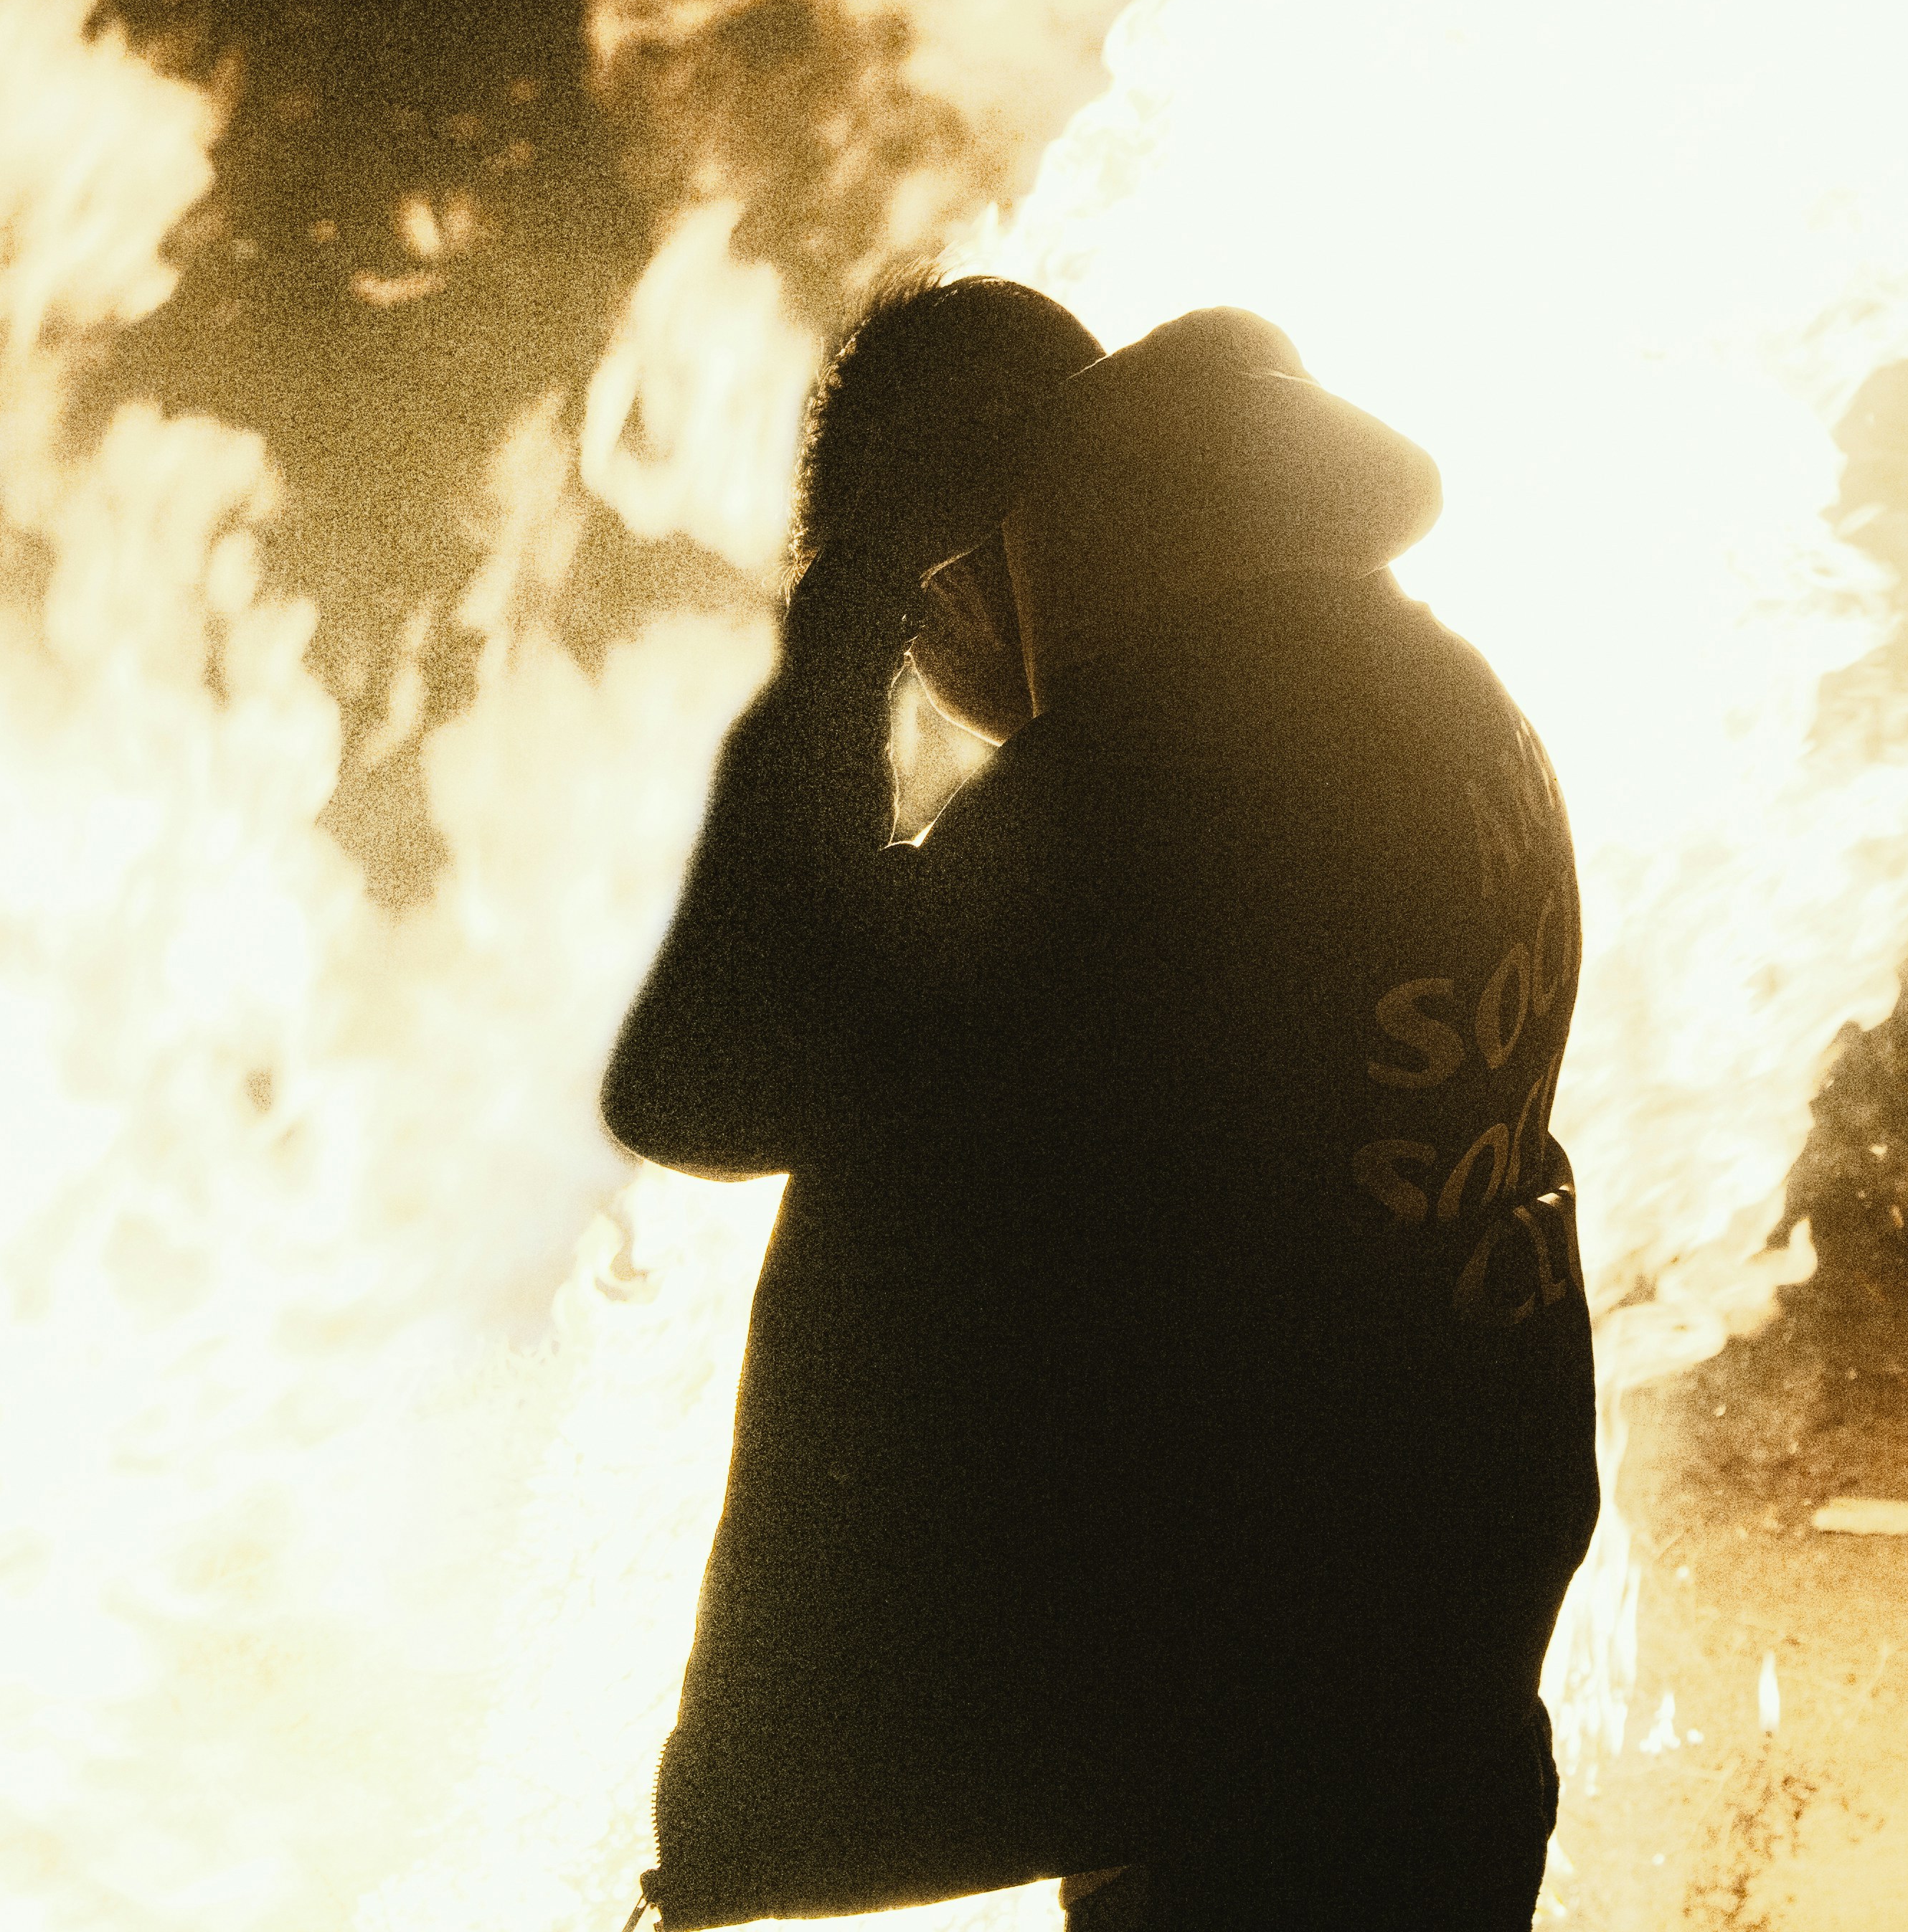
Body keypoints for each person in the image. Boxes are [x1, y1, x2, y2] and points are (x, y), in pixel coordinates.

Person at [602, 283, 1597, 1931]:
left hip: (1248, 1773)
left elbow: (699, 1078)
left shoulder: (1169, 779)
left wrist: (845, 598)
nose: (933, 642)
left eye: (934, 577)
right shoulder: (1437, 703)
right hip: (1430, 1686)